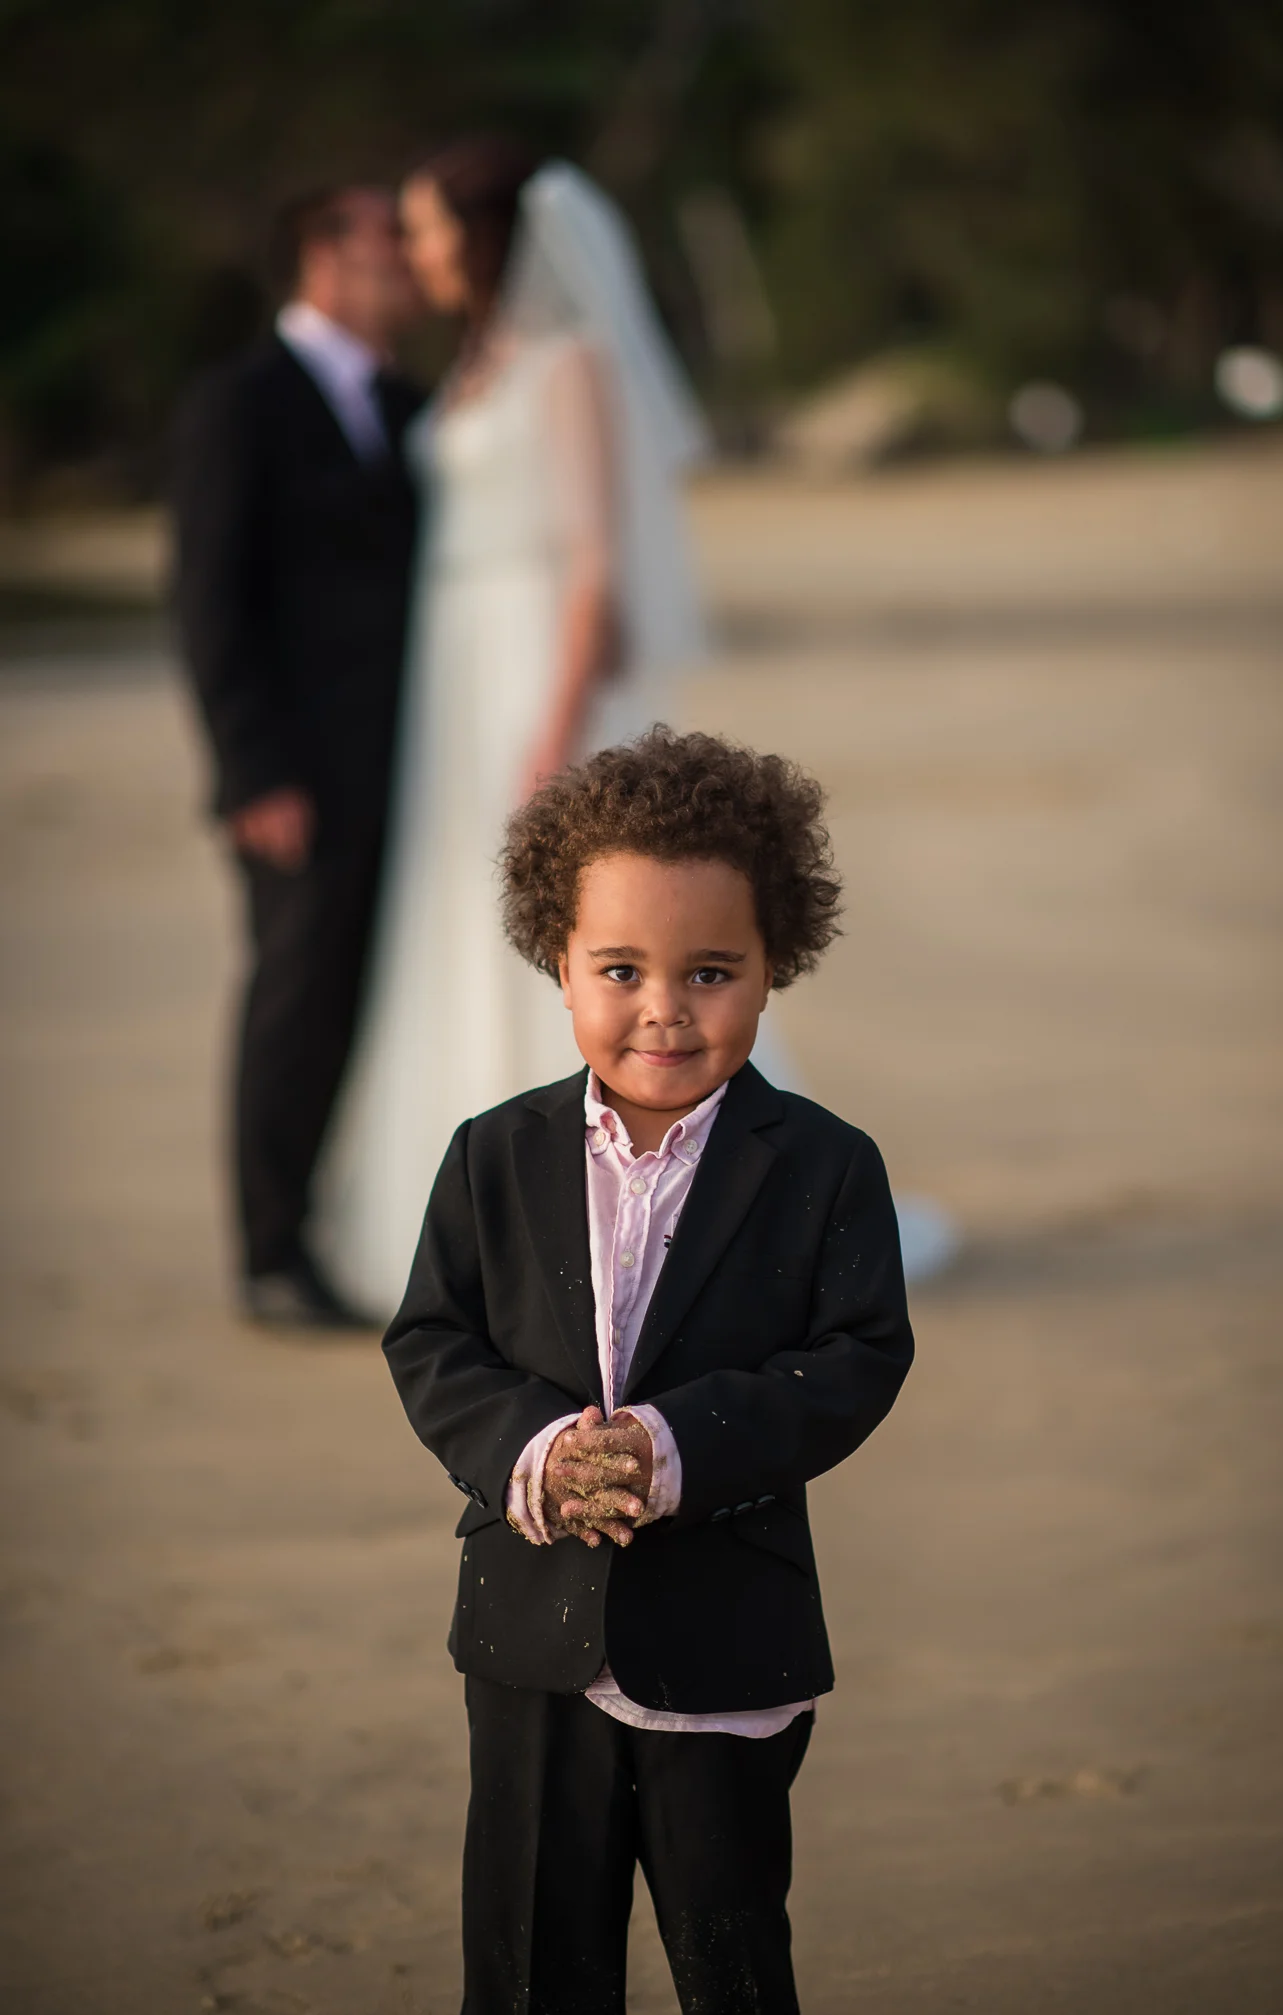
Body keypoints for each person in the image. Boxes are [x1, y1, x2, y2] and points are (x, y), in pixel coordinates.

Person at [384, 727, 915, 2015]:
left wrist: (678, 1446)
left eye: (710, 972)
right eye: (618, 969)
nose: (662, 1008)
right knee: (523, 1974)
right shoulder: (489, 1160)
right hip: (529, 1633)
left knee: (732, 1968)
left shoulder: (824, 1168)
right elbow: (433, 1341)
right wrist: (538, 1454)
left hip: (727, 1641)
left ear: (773, 965)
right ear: (555, 962)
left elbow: (855, 1357)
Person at [309, 142, 711, 1321]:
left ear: (485, 240)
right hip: (453, 666)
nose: (415, 252)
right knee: (452, 918)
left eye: (431, 230)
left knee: (561, 920)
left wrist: (556, 726)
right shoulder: (472, 365)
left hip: (532, 663)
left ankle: (613, 1223)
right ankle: (467, 1219)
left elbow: (596, 563)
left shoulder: (567, 363)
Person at [173, 186, 425, 1327]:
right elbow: (208, 601)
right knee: (295, 1001)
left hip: (409, 766)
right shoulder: (240, 403)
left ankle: (348, 1222)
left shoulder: (411, 403)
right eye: (389, 247)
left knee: (370, 996)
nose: (412, 267)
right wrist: (251, 772)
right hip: (296, 778)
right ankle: (270, 1253)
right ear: (321, 259)